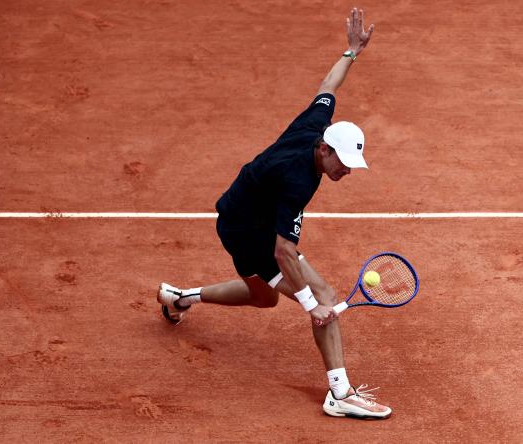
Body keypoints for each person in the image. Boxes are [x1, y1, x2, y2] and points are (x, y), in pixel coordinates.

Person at [158, 7, 391, 419]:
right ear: (324, 150)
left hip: (242, 212)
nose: (345, 172)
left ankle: (180, 297)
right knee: (324, 296)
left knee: (262, 298)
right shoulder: (297, 181)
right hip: (248, 231)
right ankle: (339, 392)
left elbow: (328, 85)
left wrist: (351, 52)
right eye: (342, 164)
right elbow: (284, 251)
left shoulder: (315, 125)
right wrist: (310, 305)